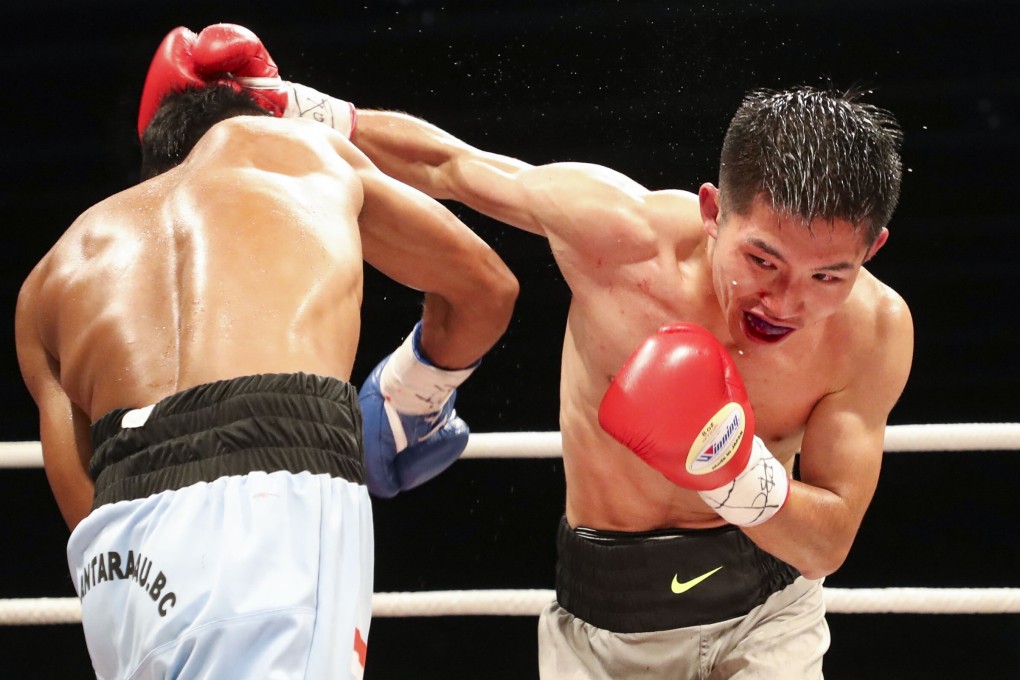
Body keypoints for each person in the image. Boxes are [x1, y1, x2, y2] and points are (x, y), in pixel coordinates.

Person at [343, 87, 913, 677]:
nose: (785, 302)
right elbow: (450, 165)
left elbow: (827, 546)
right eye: (762, 261)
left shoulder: (872, 330)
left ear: (872, 249)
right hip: (603, 627)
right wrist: (296, 108)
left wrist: (733, 471)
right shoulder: (622, 242)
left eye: (826, 276)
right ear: (714, 211)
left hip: (767, 619)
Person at [14, 24, 517, 680]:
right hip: (269, 500)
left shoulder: (56, 269)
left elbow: (82, 498)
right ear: (261, 112)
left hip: (120, 562)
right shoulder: (288, 151)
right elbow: (485, 287)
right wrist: (407, 395)